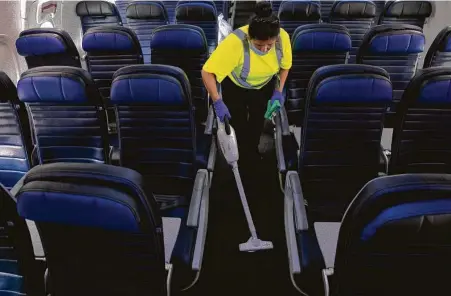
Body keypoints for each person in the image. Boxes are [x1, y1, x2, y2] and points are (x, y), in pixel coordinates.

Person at [201, 1, 292, 166]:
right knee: (238, 123)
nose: (264, 49)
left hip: (263, 86)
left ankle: (253, 150)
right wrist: (217, 101)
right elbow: (207, 72)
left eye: (269, 45)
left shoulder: (283, 39)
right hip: (235, 87)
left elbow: (285, 67)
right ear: (250, 37)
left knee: (258, 120)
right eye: (259, 45)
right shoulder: (235, 43)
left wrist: (278, 92)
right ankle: (240, 155)